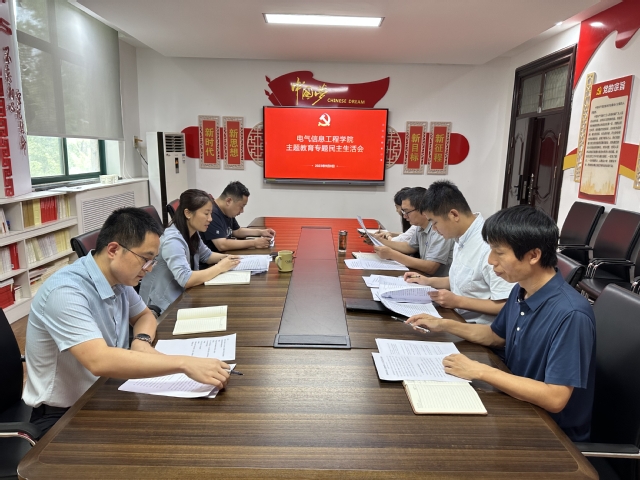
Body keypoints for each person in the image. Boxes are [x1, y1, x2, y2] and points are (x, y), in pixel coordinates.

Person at [23, 208, 231, 437]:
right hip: (64, 415)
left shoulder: (119, 279)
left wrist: (141, 341)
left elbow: (144, 316)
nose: (149, 268)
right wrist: (184, 363)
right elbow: (99, 360)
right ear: (113, 250)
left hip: (109, 391)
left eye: (153, 260)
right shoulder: (65, 292)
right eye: (145, 259)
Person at [405, 205, 595, 442]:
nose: (491, 260)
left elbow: (555, 398)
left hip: (551, 434)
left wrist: (480, 371)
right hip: (516, 403)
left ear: (533, 255)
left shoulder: (571, 314)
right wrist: (444, 324)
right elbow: (496, 335)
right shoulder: (522, 289)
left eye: (499, 252)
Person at [404, 180, 514, 324]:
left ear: (454, 215)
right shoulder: (460, 236)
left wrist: (458, 301)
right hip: (456, 317)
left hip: (478, 329)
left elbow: (507, 305)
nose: (434, 229)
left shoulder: (488, 245)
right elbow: (463, 281)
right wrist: (428, 281)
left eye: (434, 222)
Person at [139, 189, 241, 314]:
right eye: (206, 214)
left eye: (210, 214)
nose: (210, 219)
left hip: (182, 296)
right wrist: (220, 267)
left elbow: (207, 255)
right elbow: (186, 279)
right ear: (188, 213)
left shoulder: (192, 232)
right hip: (161, 308)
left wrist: (230, 258)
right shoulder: (172, 241)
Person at [372, 187, 455, 276]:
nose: (405, 216)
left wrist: (392, 254)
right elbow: (409, 247)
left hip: (438, 282)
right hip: (425, 278)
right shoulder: (419, 226)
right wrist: (380, 241)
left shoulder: (439, 228)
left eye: (407, 212)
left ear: (422, 209)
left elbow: (431, 267)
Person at [201, 181, 275, 252]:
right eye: (241, 206)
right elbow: (222, 245)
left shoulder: (227, 212)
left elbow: (237, 231)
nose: (242, 211)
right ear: (229, 201)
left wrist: (261, 232)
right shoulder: (212, 213)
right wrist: (254, 243)